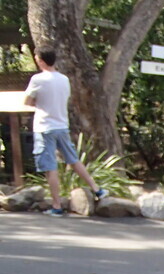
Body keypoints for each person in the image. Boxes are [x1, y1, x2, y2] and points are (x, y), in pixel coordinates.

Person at [24, 46, 108, 216]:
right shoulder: (64, 79)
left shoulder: (37, 79)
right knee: (73, 160)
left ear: (40, 60)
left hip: (44, 127)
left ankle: (56, 205)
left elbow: (27, 101)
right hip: (62, 125)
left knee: (50, 167)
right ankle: (97, 189)